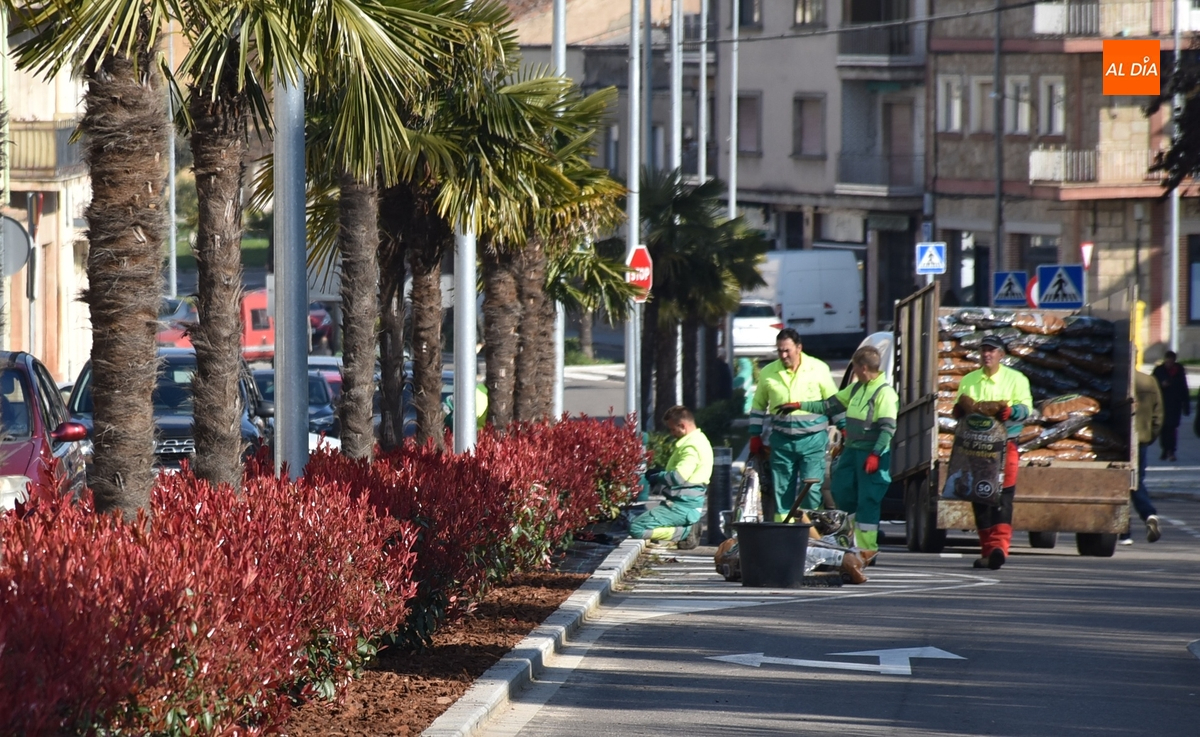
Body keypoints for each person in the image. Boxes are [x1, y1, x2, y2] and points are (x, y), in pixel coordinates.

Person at [798, 345, 897, 564]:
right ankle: (851, 541)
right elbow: (829, 405)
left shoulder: (885, 393)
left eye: (853, 367)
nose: (853, 372)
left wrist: (875, 454)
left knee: (868, 501)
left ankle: (867, 549)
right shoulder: (855, 389)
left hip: (871, 455)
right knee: (842, 491)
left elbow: (888, 428)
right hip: (852, 451)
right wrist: (800, 405)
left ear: (862, 367)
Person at [953, 334, 1033, 570]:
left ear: (1002, 355)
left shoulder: (1016, 379)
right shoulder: (969, 380)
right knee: (980, 498)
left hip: (1004, 446)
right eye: (984, 350)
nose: (987, 354)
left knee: (1003, 497)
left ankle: (999, 547)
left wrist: (1013, 412)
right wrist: (959, 410)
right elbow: (959, 408)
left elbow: (1027, 408)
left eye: (992, 350)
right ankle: (988, 551)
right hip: (976, 448)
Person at [749, 328, 840, 521]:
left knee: (812, 489)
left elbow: (834, 403)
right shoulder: (768, 373)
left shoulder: (818, 369)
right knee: (782, 491)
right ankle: (784, 534)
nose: (783, 355)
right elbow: (757, 407)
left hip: (813, 442)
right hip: (782, 443)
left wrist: (844, 427)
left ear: (799, 348)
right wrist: (754, 435)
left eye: (787, 350)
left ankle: (809, 536)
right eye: (779, 351)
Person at [629, 405, 714, 549]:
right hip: (687, 504)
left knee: (637, 527)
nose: (671, 433)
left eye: (673, 429)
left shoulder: (691, 447)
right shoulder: (700, 440)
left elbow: (679, 477)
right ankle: (684, 531)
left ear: (682, 426)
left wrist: (657, 476)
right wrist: (661, 472)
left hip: (681, 507)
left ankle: (685, 533)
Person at [1124, 372, 1164, 545]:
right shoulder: (1149, 381)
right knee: (1136, 481)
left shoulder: (1118, 378)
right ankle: (1149, 514)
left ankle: (1124, 532)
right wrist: (1150, 436)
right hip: (1141, 439)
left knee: (1118, 484)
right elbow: (1158, 415)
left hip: (1118, 438)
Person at [1152, 351, 1190, 462]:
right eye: (1167, 361)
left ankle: (1171, 451)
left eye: (1171, 361)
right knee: (1163, 428)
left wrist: (1186, 405)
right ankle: (1165, 450)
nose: (1169, 363)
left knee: (1172, 427)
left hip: (1175, 404)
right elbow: (1153, 384)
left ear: (1174, 360)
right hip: (1162, 404)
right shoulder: (1159, 371)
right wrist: (1161, 384)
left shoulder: (1179, 371)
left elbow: (1184, 387)